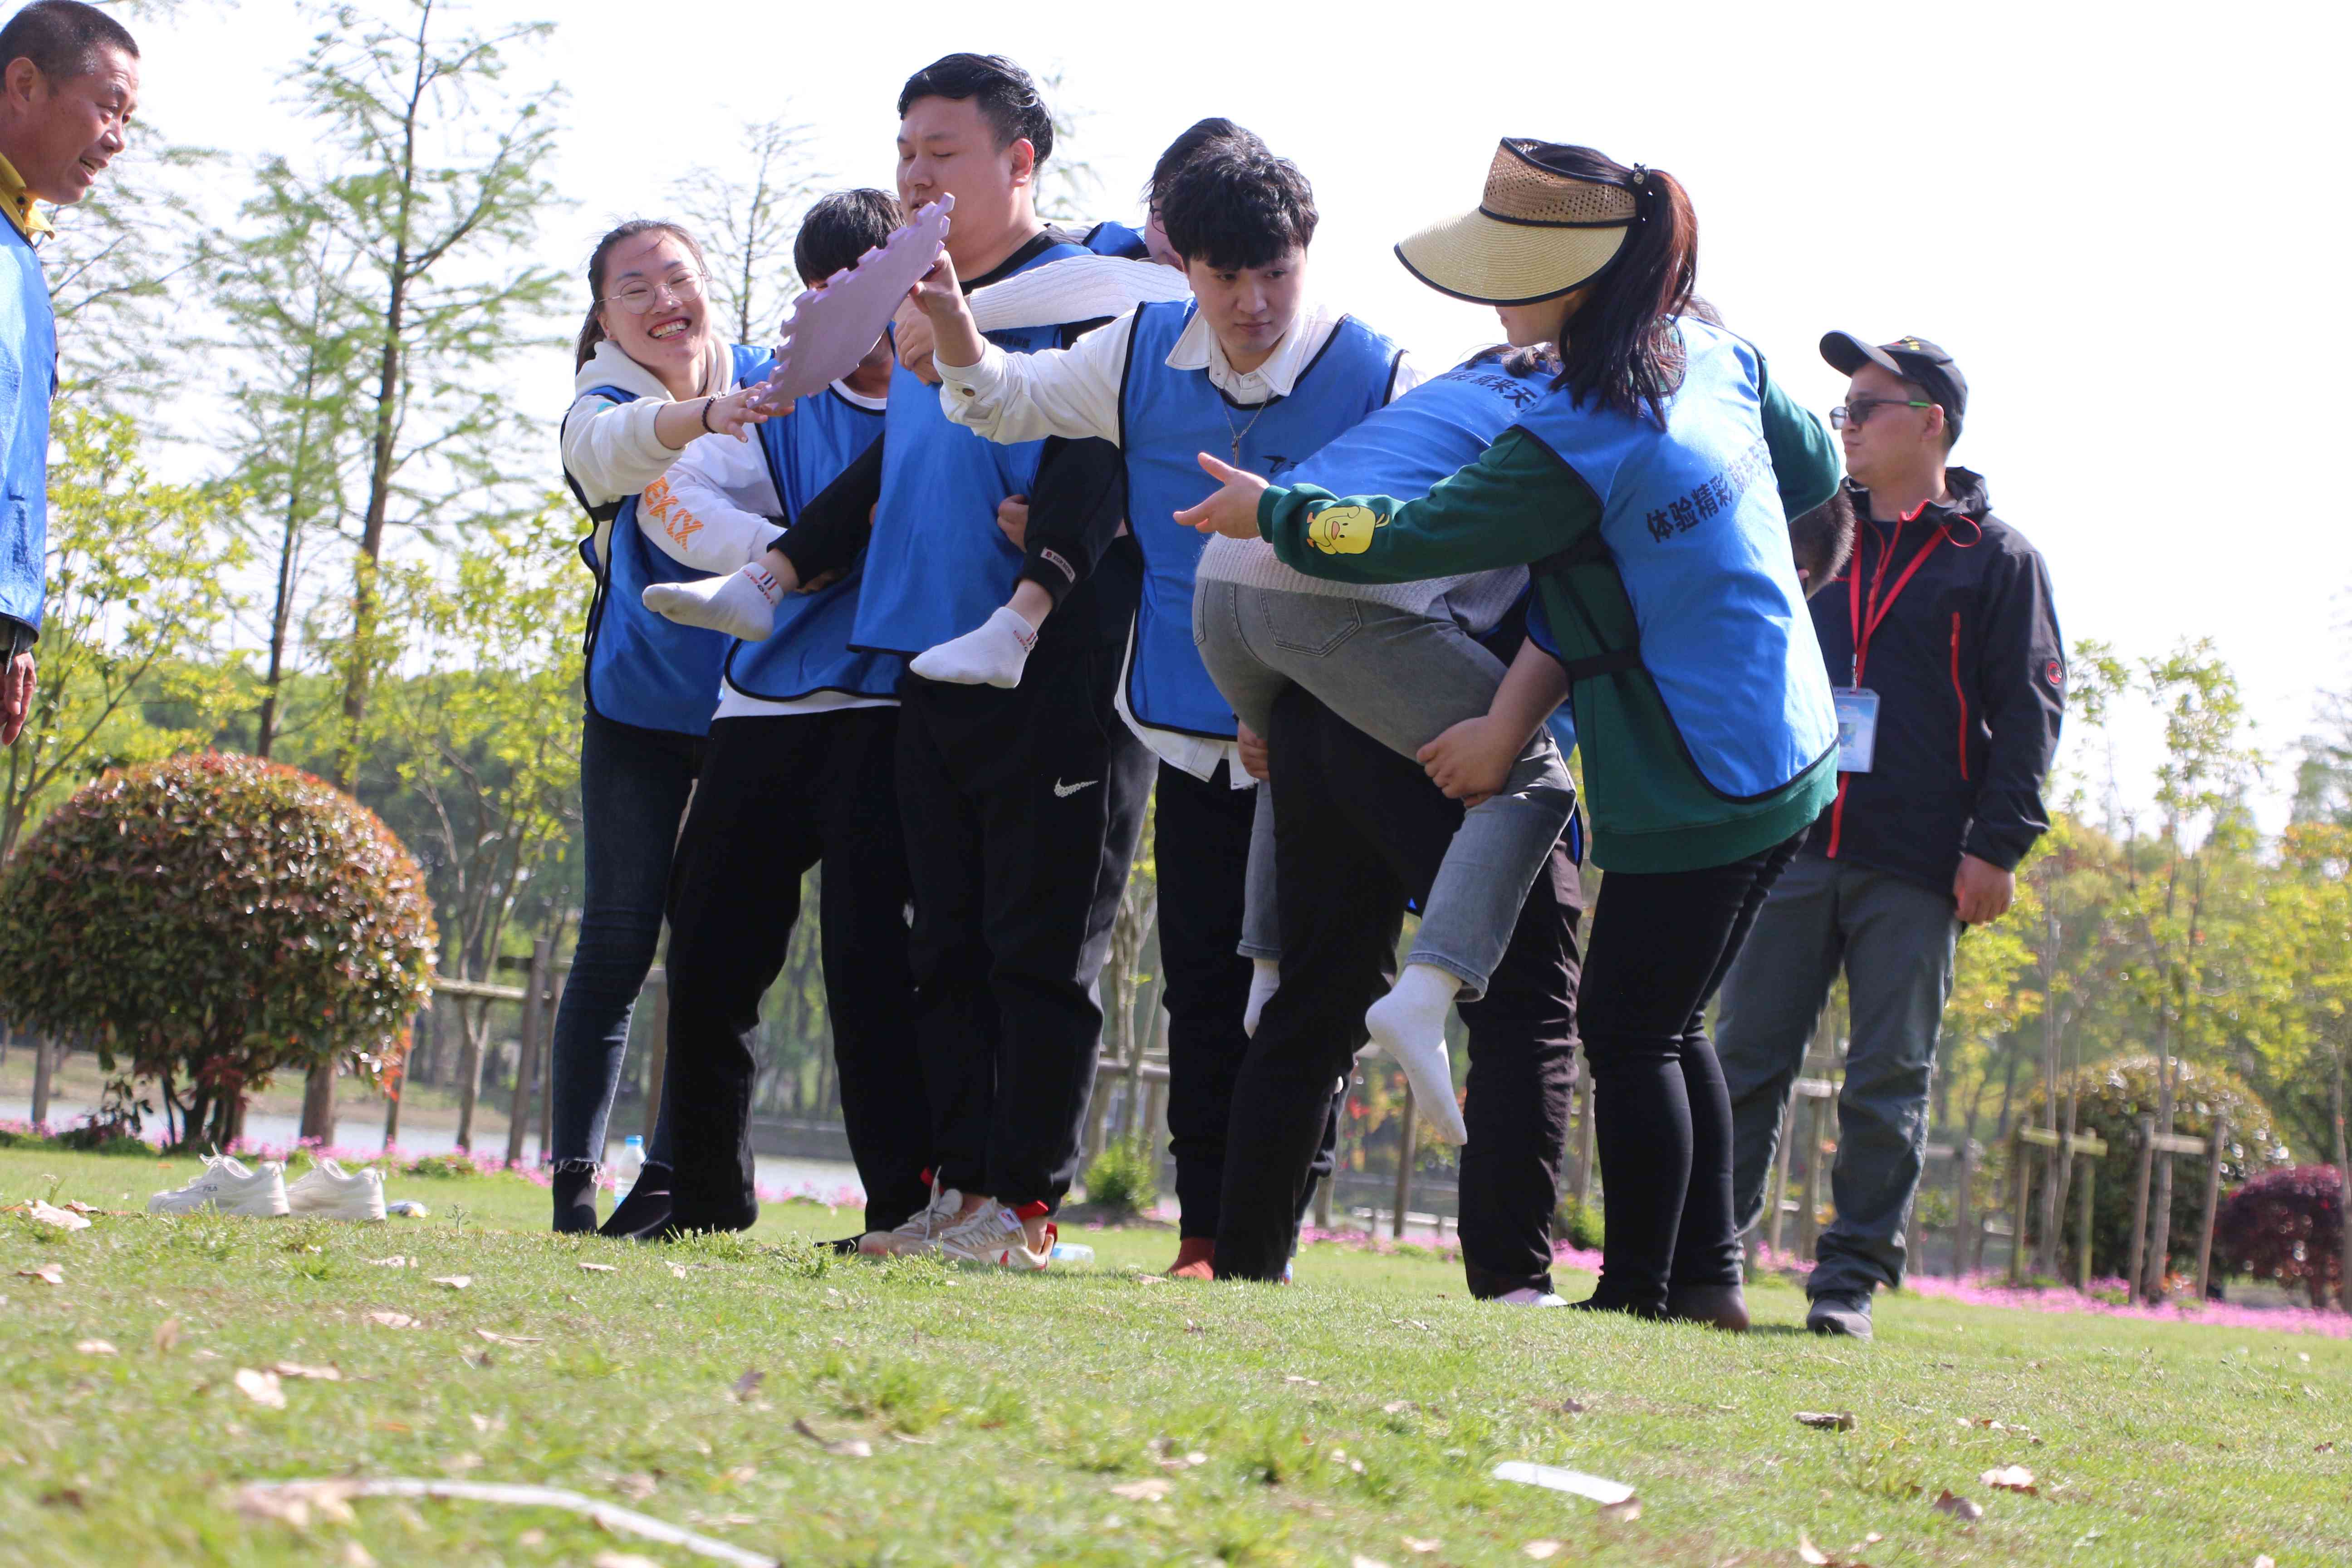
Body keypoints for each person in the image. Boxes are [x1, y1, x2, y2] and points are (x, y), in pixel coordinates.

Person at [1185, 140, 1843, 1327]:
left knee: (1626, 1026)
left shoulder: (1577, 435)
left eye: (1509, 268)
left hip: (1693, 759)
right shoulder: (1714, 350)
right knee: (1669, 1014)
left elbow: (1402, 538)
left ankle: (1646, 1290)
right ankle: (1704, 1283)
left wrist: (1270, 508)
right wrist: (1698, 550)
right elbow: (1820, 466)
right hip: (1788, 731)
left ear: (1577, 280)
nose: (1489, 293)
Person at [657, 54, 1149, 1268]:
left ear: (1018, 162)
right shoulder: (928, 300)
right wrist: (777, 574)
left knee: (1040, 950)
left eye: (942, 151)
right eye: (905, 152)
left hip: (1053, 675)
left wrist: (1058, 568)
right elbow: (886, 477)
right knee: (945, 950)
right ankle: (955, 1196)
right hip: (922, 668)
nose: (916, 174)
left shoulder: (1085, 296)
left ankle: (1023, 1209)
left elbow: (1118, 458)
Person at [908, 134, 1412, 1276]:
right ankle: (1203, 1237)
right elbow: (996, 400)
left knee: (1300, 994)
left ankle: (1263, 1235)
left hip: (1321, 735)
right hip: (1185, 727)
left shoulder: (1378, 374)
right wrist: (950, 318)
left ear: (1305, 255)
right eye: (1224, 276)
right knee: (1200, 986)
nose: (1250, 303)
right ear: (1184, 266)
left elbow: (1416, 559)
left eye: (1271, 274)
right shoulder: (1137, 349)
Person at [594, 190, 933, 1242]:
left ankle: (900, 1213)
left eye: (877, 294)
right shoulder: (771, 393)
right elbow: (680, 495)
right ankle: (702, 1204)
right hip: (761, 706)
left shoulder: (954, 393)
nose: (859, 323)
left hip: (889, 711)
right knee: (706, 959)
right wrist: (799, 547)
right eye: (831, 298)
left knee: (873, 971)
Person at [1715, 332, 2063, 1340]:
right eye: (1844, 408)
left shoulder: (1997, 561)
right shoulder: (1808, 534)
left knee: (1887, 1079)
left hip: (1917, 862)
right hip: (1790, 841)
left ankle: (1847, 1285)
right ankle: (1708, 1262)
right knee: (1744, 1061)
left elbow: (2031, 714)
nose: (1848, 424)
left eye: (1869, 406)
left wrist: (1998, 848)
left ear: (1932, 424)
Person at [550, 218, 774, 1233]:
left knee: (718, 952)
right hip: (640, 702)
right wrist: (705, 415)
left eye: (676, 277)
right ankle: (571, 1186)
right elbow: (606, 458)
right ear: (604, 319)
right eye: (632, 289)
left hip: (756, 707)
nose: (661, 300)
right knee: (617, 941)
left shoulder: (778, 377)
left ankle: (678, 1179)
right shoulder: (602, 404)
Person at [0, 0, 140, 746]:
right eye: (108, 109)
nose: (117, 141)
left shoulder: (20, 253)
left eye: (129, 121)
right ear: (24, 84)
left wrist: (15, 624)